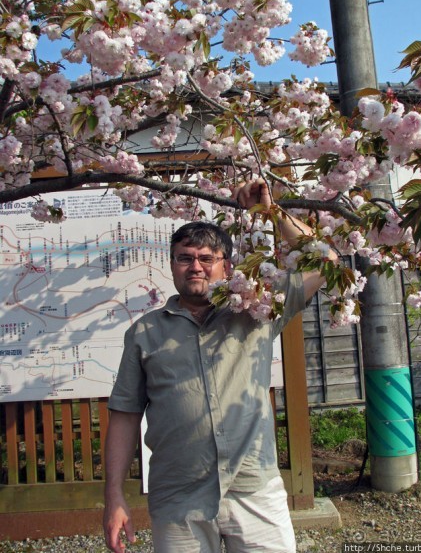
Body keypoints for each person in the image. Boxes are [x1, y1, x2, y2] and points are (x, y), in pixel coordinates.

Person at [103, 179, 336, 553]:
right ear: (173, 265)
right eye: (185, 257)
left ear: (225, 267)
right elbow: (125, 414)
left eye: (206, 259)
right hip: (179, 496)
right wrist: (113, 495)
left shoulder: (258, 311)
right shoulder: (144, 333)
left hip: (253, 488)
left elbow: (326, 262)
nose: (195, 267)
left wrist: (271, 212)